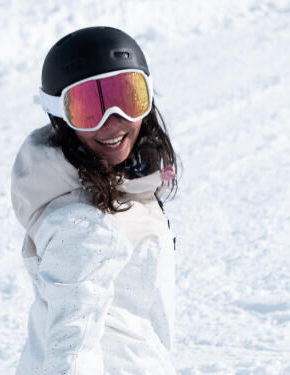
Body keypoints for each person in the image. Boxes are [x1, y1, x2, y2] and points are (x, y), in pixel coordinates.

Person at [11, 26, 179, 375]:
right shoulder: (83, 226)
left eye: (127, 97)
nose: (112, 121)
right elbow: (72, 346)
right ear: (60, 116)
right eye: (89, 108)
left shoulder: (119, 188)